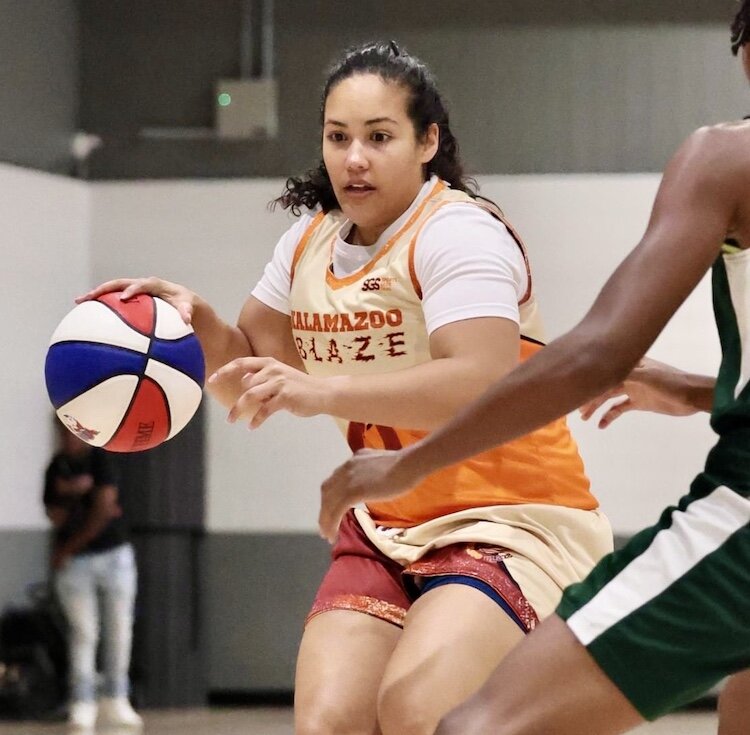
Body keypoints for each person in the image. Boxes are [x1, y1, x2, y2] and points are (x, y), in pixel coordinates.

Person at [79, 42, 613, 735]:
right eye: (338, 137)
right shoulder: (307, 243)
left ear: (428, 142)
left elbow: (480, 381)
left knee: (418, 708)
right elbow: (252, 368)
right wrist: (196, 320)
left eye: (378, 137)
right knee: (330, 720)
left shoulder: (458, 232)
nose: (353, 158)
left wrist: (327, 392)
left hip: (510, 516)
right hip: (389, 521)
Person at [319, 7, 750, 735]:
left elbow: (594, 353)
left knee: (476, 725)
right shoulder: (312, 250)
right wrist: (695, 390)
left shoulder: (726, 156)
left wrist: (407, 464)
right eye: (339, 136)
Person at [44, 419, 142, 731]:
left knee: (119, 630)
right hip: (77, 564)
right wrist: (73, 493)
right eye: (62, 432)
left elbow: (103, 508)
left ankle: (116, 698)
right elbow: (55, 515)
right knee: (84, 632)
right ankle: (83, 701)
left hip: (113, 555)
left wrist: (68, 547)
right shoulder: (56, 467)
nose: (67, 438)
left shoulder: (101, 459)